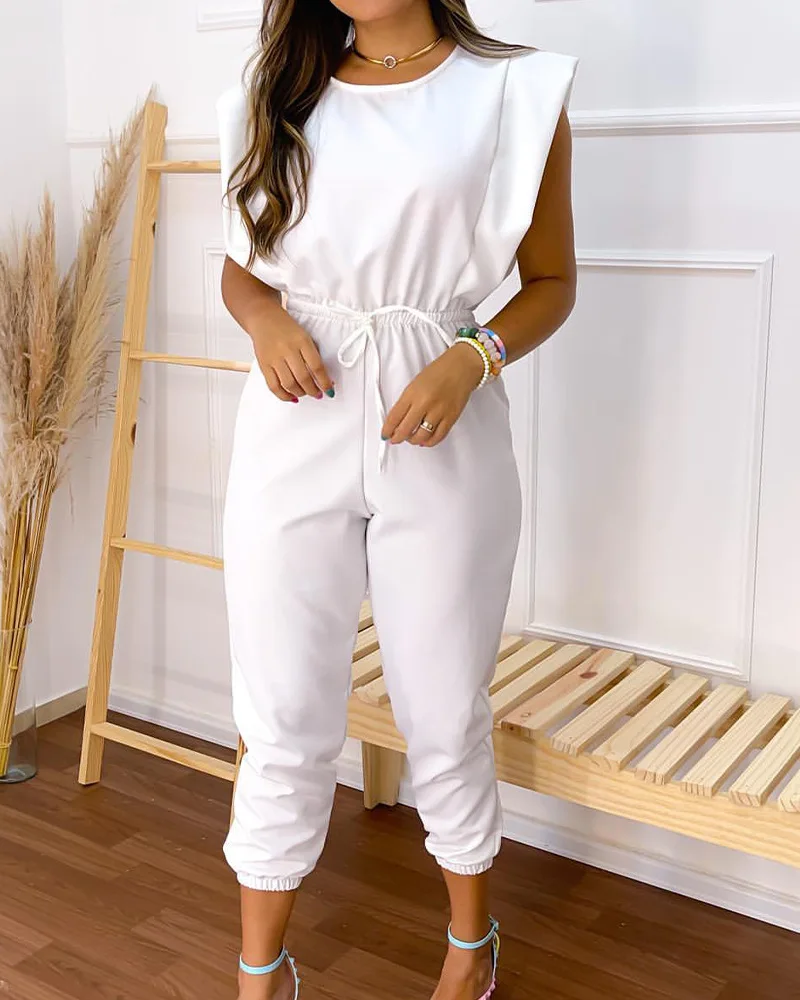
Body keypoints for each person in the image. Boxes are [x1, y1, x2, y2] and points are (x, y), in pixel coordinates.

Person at [217, 1, 577, 997]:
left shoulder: (514, 89)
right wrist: (265, 325)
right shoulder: (272, 87)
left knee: (441, 702)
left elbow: (551, 280)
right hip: (294, 422)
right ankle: (260, 971)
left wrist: (472, 358)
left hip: (440, 420)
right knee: (282, 707)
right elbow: (242, 274)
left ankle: (470, 943)